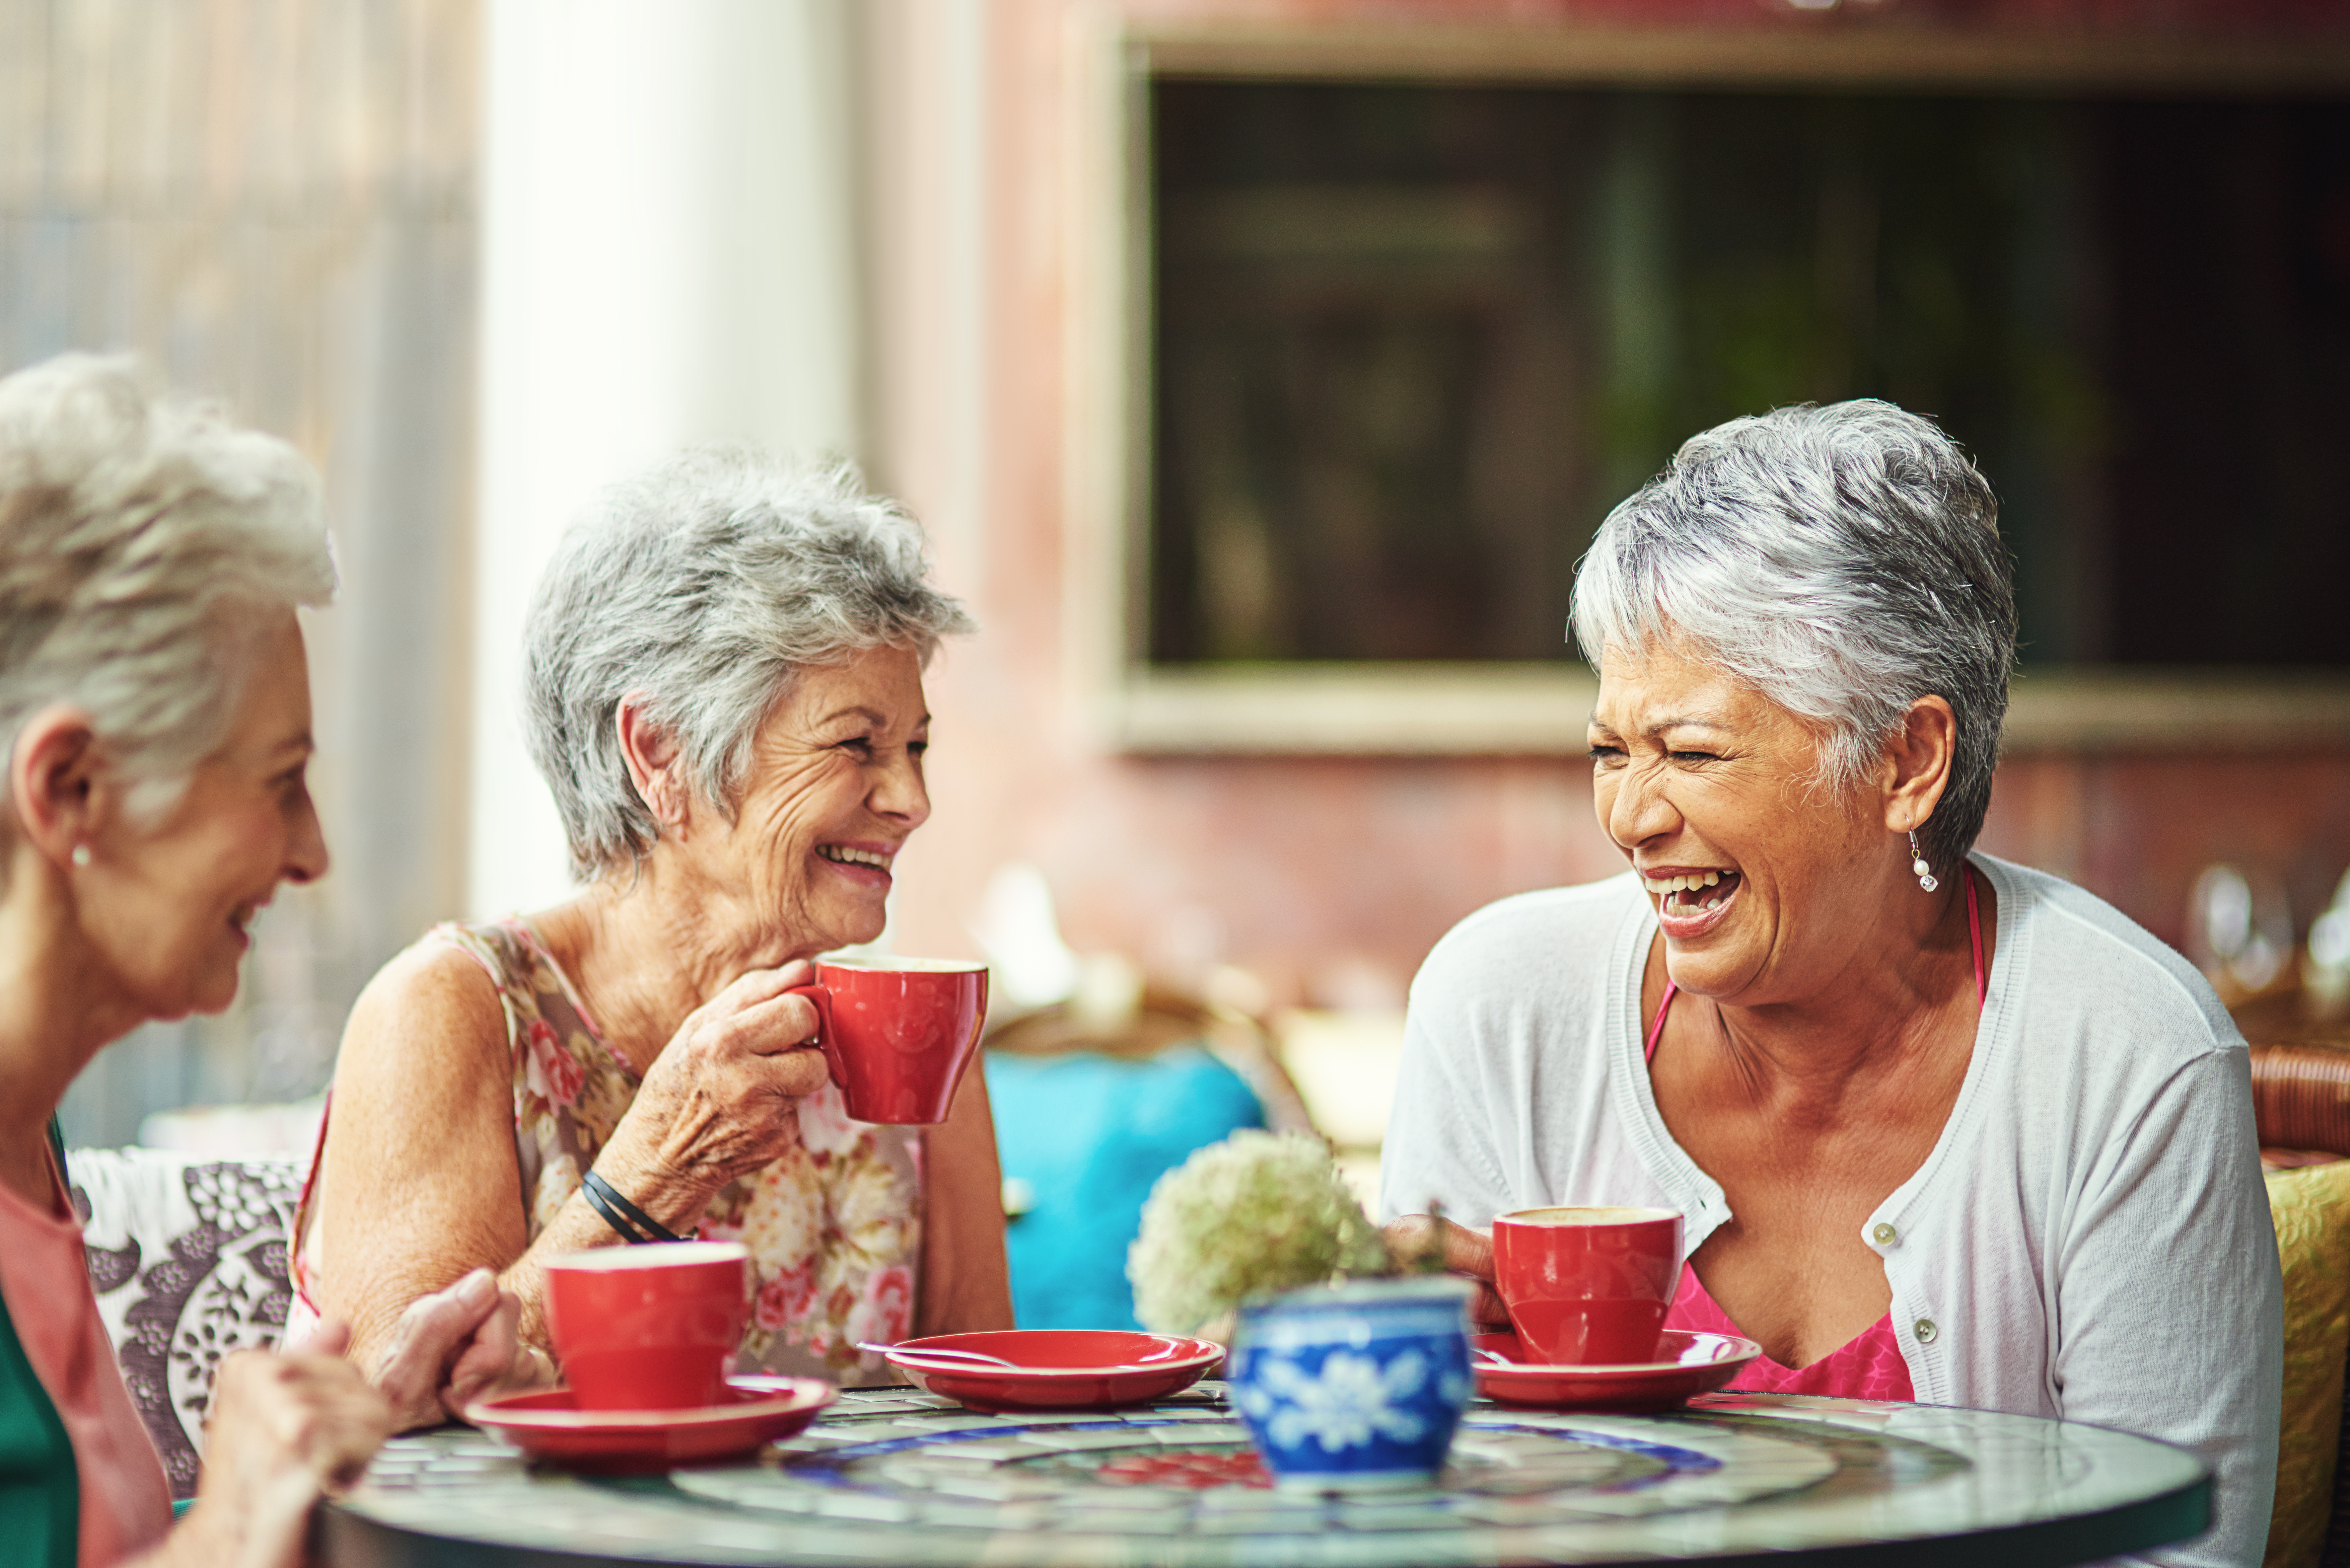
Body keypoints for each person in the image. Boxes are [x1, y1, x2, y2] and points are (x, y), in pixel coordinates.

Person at [1380, 400, 2281, 1567]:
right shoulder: (1500, 1007)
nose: (1629, 818)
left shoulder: (2128, 1056)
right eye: (1611, 750)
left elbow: (2177, 1552)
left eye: (1693, 753)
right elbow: (1412, 1520)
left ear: (1906, 761)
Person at [298, 447, 1012, 1402]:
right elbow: (383, 1406)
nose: (912, 799)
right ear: (660, 750)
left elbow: (981, 1408)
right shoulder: (451, 1008)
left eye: (916, 746)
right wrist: (653, 1175)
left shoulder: (911, 1030)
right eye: (858, 744)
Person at [0, 353, 517, 1566]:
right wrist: (225, 1529)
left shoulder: (32, 1147)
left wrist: (332, 1433)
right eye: (281, 783)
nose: (314, 852)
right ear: (70, 788)